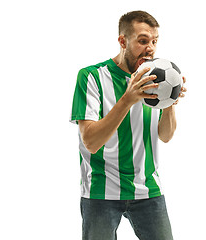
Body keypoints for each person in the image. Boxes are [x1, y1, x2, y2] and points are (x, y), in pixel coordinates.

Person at [70, 10, 186, 240]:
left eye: (154, 41)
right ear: (123, 41)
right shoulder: (91, 76)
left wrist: (169, 101)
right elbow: (91, 142)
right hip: (101, 191)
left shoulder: (156, 80)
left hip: (148, 189)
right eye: (142, 41)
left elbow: (166, 135)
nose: (150, 48)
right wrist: (128, 98)